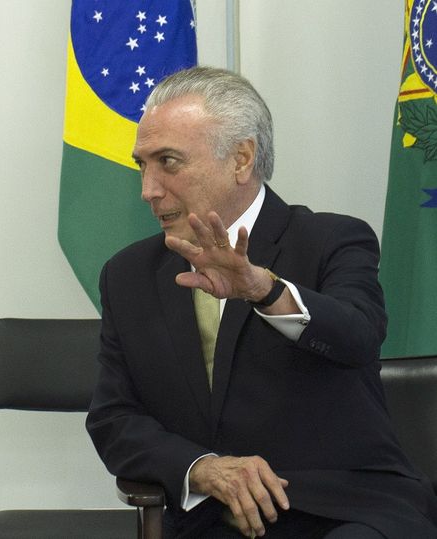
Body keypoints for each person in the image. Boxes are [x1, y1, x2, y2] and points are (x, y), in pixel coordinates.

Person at [86, 66, 437, 538]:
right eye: (141, 165)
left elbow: (359, 337)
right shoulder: (128, 275)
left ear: (241, 160)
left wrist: (262, 289)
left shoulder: (332, 240)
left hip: (344, 510)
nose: (148, 189)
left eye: (168, 161)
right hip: (213, 519)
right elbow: (114, 418)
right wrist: (202, 467)